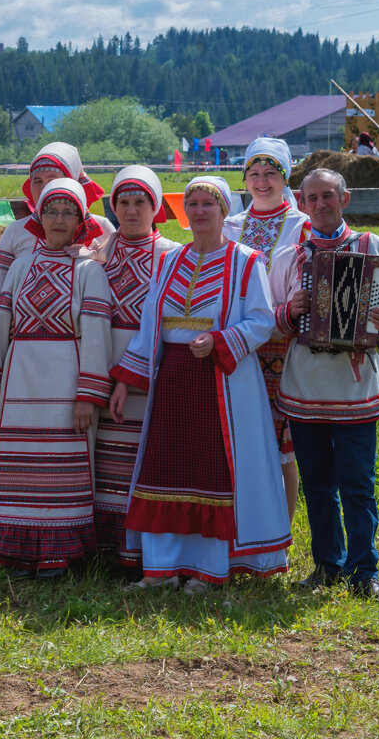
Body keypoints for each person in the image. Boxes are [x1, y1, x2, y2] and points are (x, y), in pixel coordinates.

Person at [111, 175, 290, 592]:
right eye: (191, 203)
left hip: (221, 382)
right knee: (166, 467)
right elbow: (150, 323)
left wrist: (219, 340)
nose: (198, 211)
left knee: (212, 471)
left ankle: (210, 569)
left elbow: (262, 320)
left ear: (224, 211)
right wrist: (125, 381)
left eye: (208, 204)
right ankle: (162, 568)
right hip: (173, 380)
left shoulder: (246, 260)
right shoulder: (170, 261)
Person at [0, 179, 114, 577]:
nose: (58, 219)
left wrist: (88, 395)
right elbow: (1, 326)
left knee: (62, 468)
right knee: (19, 469)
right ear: (38, 218)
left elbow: (96, 335)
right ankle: (18, 550)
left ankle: (58, 552)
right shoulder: (21, 265)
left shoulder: (90, 270)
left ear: (80, 221)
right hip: (20, 384)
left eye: (67, 212)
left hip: (66, 386)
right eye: (51, 211)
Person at [268, 168, 379, 598]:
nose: (321, 204)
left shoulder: (371, 247)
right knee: (318, 483)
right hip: (305, 384)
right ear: (301, 203)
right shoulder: (289, 256)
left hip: (355, 386)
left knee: (358, 483)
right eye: (313, 198)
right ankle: (327, 564)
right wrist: (291, 310)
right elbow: (268, 322)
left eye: (329, 196)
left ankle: (365, 571)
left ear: (345, 198)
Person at [92, 166, 180, 565]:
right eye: (123, 203)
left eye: (139, 202)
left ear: (155, 207)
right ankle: (105, 549)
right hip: (102, 368)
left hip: (153, 375)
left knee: (142, 463)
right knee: (103, 462)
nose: (131, 210)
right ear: (112, 207)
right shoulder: (97, 252)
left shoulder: (174, 256)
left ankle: (141, 553)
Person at [223, 137, 309, 521]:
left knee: (279, 444)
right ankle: (241, 523)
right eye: (254, 174)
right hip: (235, 345)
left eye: (271, 173)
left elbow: (303, 292)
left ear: (285, 177)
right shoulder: (231, 225)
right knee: (236, 436)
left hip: (279, 345)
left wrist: (271, 320)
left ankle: (281, 531)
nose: (261, 182)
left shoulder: (300, 226)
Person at [0, 142, 111, 297]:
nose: (44, 187)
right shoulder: (16, 230)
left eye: (52, 180)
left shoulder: (101, 228)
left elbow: (114, 282)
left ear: (71, 183)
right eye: (37, 181)